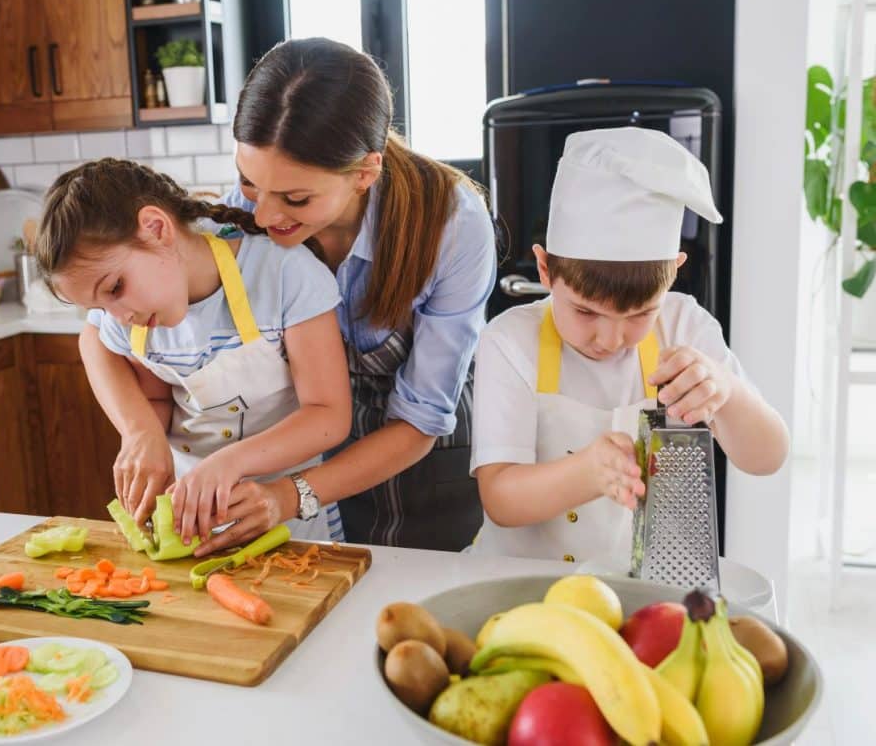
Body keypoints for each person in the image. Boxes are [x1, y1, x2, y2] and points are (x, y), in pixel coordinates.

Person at [153, 37, 498, 555]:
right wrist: (142, 433)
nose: (263, 219)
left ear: (365, 172)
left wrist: (288, 497)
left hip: (425, 463)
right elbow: (106, 327)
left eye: (295, 198)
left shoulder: (452, 223)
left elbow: (420, 421)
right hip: (306, 452)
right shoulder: (236, 218)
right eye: (249, 182)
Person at [469, 126, 789, 562]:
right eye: (585, 312)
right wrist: (584, 473)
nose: (611, 338)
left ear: (674, 273)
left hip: (640, 597)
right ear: (545, 270)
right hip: (522, 590)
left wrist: (726, 391)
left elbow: (767, 457)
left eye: (640, 314)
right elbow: (500, 500)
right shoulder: (509, 342)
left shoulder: (684, 326)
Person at [34, 157, 352, 545]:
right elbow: (130, 374)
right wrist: (142, 434)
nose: (117, 317)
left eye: (115, 288)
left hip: (290, 525)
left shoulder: (286, 274)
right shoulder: (138, 317)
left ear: (156, 228)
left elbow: (328, 416)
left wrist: (230, 462)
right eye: (99, 307)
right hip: (194, 528)